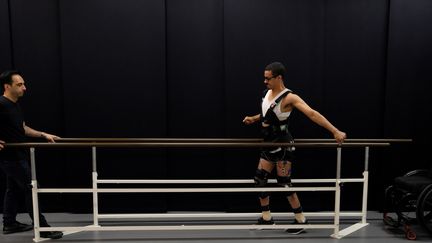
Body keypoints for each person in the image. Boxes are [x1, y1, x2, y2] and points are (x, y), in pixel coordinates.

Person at [243, 62, 346, 234]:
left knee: (284, 184)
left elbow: (312, 113)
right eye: (264, 78)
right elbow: (267, 113)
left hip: (283, 145)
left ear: (279, 78)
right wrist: (254, 119)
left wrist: (335, 131)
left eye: (268, 78)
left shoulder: (290, 97)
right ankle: (267, 217)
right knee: (260, 180)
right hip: (268, 143)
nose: (265, 81)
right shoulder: (266, 93)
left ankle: (301, 220)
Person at [0, 70, 63, 239]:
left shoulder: (14, 105)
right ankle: (43, 228)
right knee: (31, 188)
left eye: (23, 84)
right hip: (11, 158)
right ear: (7, 86)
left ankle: (9, 223)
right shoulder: (1, 104)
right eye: (19, 85)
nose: (24, 88)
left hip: (16, 156)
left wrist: (43, 134)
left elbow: (23, 128)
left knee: (12, 189)